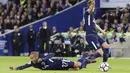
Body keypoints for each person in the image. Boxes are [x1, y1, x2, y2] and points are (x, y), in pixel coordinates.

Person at [9, 51, 96, 70]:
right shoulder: (33, 63)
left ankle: (84, 56)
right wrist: (15, 69)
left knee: (78, 65)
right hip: (58, 68)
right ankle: (86, 62)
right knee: (77, 69)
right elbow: (24, 66)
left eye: (32, 58)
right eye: (31, 58)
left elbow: (52, 54)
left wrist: (44, 59)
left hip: (59, 62)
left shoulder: (42, 57)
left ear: (36, 57)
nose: (31, 60)